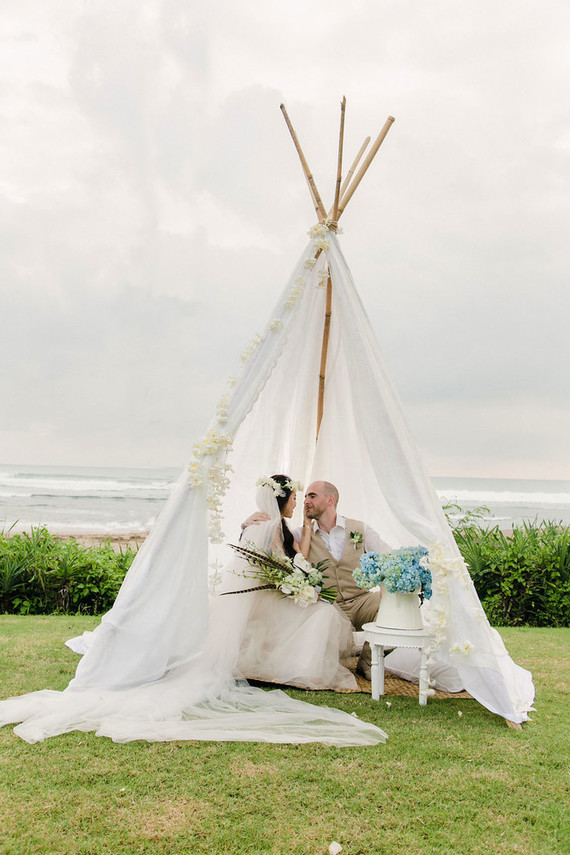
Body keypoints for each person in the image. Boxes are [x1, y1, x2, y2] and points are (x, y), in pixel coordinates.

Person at [243, 479, 391, 680]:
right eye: (304, 497)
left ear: (330, 500)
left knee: (394, 604)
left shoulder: (360, 529)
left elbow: (388, 558)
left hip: (361, 601)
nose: (305, 501)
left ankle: (368, 661)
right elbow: (267, 544)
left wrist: (385, 585)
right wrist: (246, 526)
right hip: (328, 605)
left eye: (312, 496)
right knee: (324, 619)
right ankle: (337, 659)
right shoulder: (298, 535)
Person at [222, 475, 357, 691]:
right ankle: (304, 669)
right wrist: (302, 589)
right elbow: (278, 567)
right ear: (283, 500)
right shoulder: (268, 526)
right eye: (294, 498)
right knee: (325, 613)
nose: (297, 504)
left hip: (284, 591)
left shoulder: (281, 526)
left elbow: (300, 556)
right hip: (270, 598)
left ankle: (305, 665)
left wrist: (306, 524)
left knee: (325, 610)